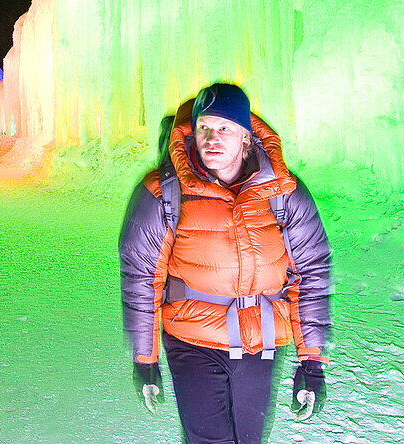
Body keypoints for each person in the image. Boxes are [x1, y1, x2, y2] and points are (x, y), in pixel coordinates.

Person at [119, 83, 332, 443]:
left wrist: (311, 360)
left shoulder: (283, 192)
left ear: (246, 138)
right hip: (192, 338)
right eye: (203, 127)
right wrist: (145, 357)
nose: (211, 138)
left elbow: (311, 272)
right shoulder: (165, 191)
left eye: (224, 128)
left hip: (259, 342)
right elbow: (141, 274)